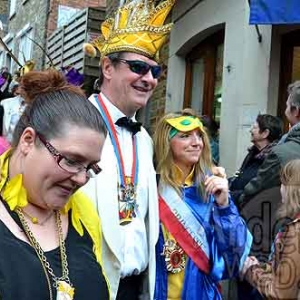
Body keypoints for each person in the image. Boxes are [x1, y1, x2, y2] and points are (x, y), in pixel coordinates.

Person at [81, 0, 175, 299]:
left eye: (155, 71)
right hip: (85, 285)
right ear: (107, 67)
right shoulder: (72, 124)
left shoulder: (145, 139)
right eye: (138, 67)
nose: (148, 79)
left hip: (135, 288)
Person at [0, 70, 110, 299]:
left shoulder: (85, 214)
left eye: (89, 167)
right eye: (71, 161)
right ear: (28, 141)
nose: (81, 179)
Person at [153, 109, 252, 300]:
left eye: (199, 136)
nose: (196, 142)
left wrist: (224, 205)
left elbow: (234, 258)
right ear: (166, 141)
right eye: (185, 136)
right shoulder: (149, 187)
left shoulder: (212, 188)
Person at [243, 159, 300, 299]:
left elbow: (281, 293)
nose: (280, 188)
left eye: (283, 183)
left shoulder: (295, 231)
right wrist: (262, 268)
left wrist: (250, 270)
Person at [240, 81, 300, 204]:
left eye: (287, 106)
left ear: (296, 111)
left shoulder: (281, 153)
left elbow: (253, 195)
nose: (285, 111)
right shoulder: (258, 152)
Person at [230, 114, 282, 204]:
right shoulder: (253, 153)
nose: (250, 130)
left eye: (254, 127)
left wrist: (231, 195)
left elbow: (257, 190)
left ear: (265, 133)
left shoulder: (272, 160)